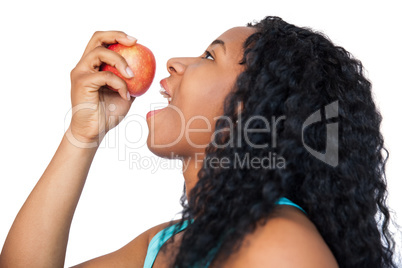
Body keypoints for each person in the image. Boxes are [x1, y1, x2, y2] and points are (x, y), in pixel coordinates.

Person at [0, 16, 396, 268]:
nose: (174, 62)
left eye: (209, 57)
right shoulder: (162, 246)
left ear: (252, 108)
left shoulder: (277, 244)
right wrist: (83, 133)